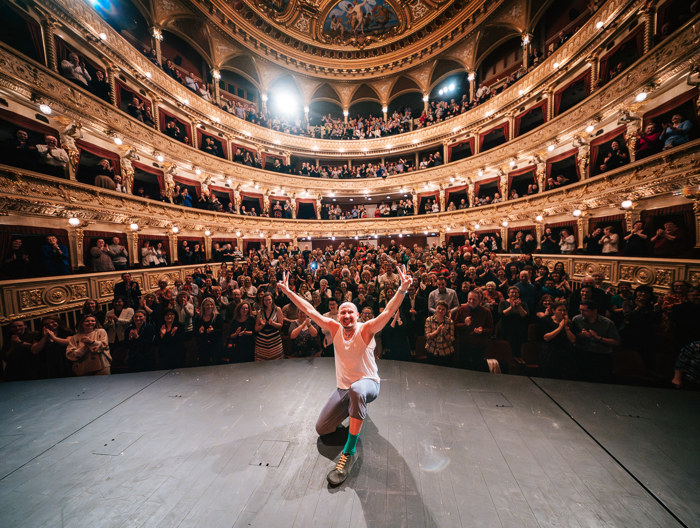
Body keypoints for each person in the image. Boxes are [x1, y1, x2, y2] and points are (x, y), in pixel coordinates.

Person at [276, 264, 412, 486]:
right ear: (338, 316)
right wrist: (288, 292)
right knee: (323, 429)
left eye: (350, 312)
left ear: (357, 316)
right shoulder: (334, 327)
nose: (346, 315)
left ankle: (348, 452)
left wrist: (402, 289)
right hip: (344, 389)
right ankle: (356, 411)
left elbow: (388, 312)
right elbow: (310, 310)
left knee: (357, 389)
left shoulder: (366, 329)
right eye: (343, 312)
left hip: (368, 383)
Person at [572, 300, 620, 383]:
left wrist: (598, 337)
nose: (582, 313)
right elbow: (573, 336)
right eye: (580, 310)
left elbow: (616, 342)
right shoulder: (577, 319)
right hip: (582, 353)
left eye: (585, 311)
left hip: (601, 355)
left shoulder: (607, 323)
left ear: (594, 311)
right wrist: (581, 335)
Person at [539, 301, 577, 379]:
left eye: (564, 310)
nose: (562, 312)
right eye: (560, 310)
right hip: (550, 350)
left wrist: (566, 327)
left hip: (565, 351)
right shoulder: (546, 320)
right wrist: (560, 328)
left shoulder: (569, 323)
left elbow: (573, 340)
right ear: (553, 310)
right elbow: (546, 337)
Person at [254, 292, 284, 361]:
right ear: (263, 301)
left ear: (272, 299)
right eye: (265, 300)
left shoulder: (277, 309)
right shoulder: (260, 312)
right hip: (262, 342)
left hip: (275, 341)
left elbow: (280, 325)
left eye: (269, 299)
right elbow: (256, 328)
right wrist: (262, 325)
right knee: (261, 363)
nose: (267, 302)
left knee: (276, 362)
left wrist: (273, 323)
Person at [193, 297, 223, 365]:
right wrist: (200, 332)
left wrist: (213, 331)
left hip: (215, 343)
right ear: (203, 306)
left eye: (211, 304)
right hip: (203, 344)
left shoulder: (218, 317)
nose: (209, 306)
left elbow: (221, 331)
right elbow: (195, 333)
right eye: (207, 305)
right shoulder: (198, 318)